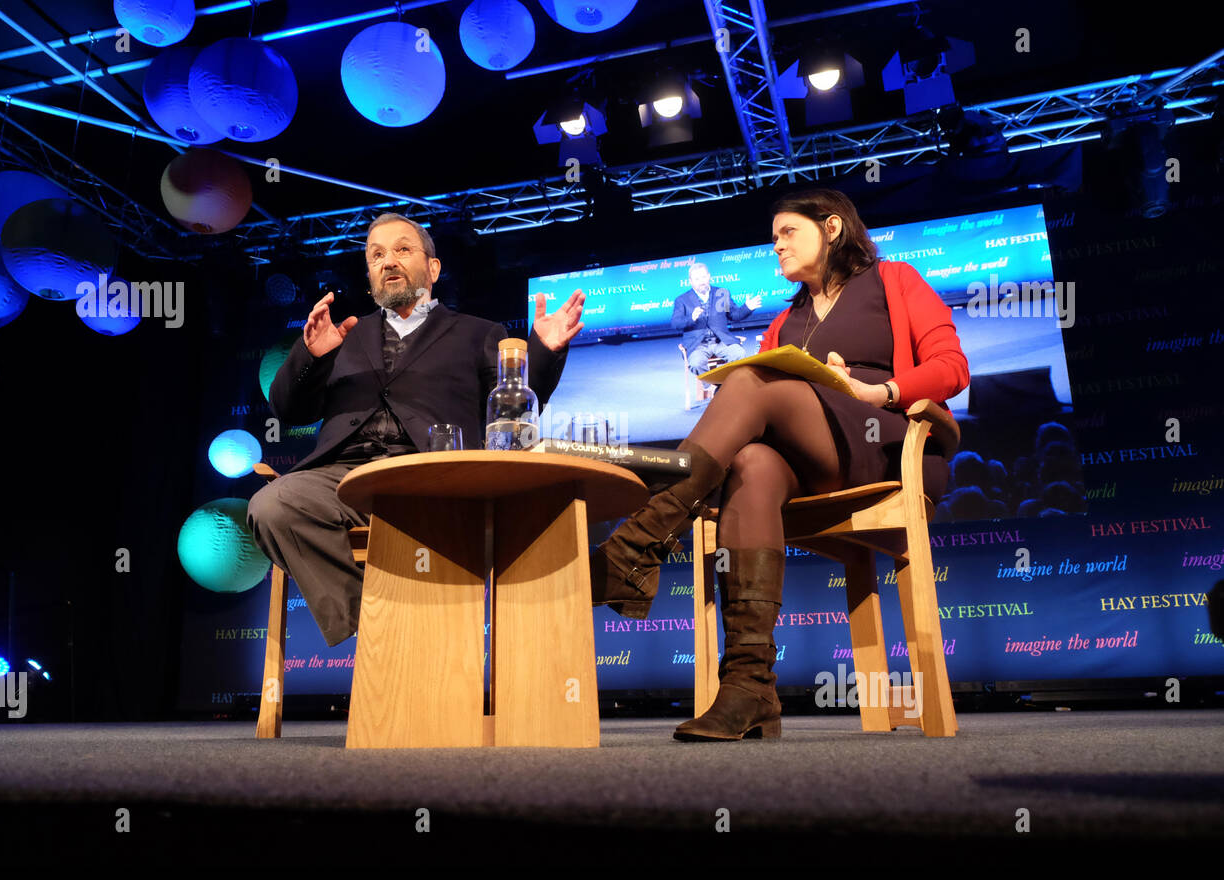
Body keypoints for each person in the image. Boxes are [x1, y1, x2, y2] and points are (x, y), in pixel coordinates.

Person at [589, 187, 970, 742]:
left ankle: (632, 548)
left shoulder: (895, 282)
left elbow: (952, 367)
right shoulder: (786, 321)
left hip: (881, 444)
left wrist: (878, 390)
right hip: (813, 461)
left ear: (833, 228)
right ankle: (749, 688)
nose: (777, 247)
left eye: (788, 233)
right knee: (751, 462)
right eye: (773, 239)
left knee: (748, 379)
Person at [248, 213, 585, 647]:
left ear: (433, 267)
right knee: (272, 505)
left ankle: (395, 632)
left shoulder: (479, 333)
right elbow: (288, 409)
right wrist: (311, 357)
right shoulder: (341, 336)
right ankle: (374, 627)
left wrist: (543, 351)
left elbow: (516, 402)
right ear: (369, 274)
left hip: (432, 474)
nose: (388, 262)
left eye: (402, 250)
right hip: (347, 479)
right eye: (376, 255)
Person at [671, 262, 762, 374]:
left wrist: (747, 307)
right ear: (690, 281)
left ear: (709, 276)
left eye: (704, 277)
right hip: (698, 345)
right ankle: (710, 386)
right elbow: (675, 323)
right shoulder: (682, 300)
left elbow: (734, 315)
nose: (701, 282)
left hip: (721, 341)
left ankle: (728, 383)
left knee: (739, 354)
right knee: (696, 363)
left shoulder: (721, 293)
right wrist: (691, 318)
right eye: (697, 279)